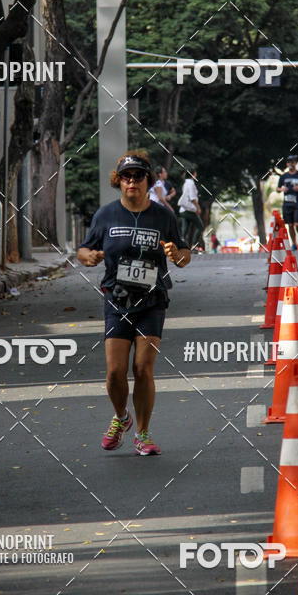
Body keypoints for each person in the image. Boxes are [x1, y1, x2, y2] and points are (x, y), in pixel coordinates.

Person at [77, 151, 191, 455]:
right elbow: (85, 249)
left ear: (147, 181)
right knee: (115, 372)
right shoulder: (106, 215)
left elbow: (183, 253)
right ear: (119, 181)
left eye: (138, 176)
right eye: (126, 177)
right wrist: (89, 257)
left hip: (152, 299)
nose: (132, 181)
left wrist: (176, 255)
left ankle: (142, 432)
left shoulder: (162, 215)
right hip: (116, 298)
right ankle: (121, 417)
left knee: (143, 367)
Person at [277, 155, 298, 250]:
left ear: (295, 163)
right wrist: (281, 189)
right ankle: (294, 243)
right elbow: (278, 188)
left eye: (292, 162)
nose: (291, 164)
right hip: (287, 203)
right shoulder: (283, 176)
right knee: (290, 225)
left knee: (297, 224)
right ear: (287, 164)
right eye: (289, 162)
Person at [178, 166, 204, 251]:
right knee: (200, 226)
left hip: (183, 209)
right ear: (193, 174)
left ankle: (180, 245)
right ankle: (194, 245)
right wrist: (198, 208)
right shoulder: (191, 183)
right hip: (190, 210)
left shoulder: (186, 183)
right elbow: (193, 198)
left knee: (185, 229)